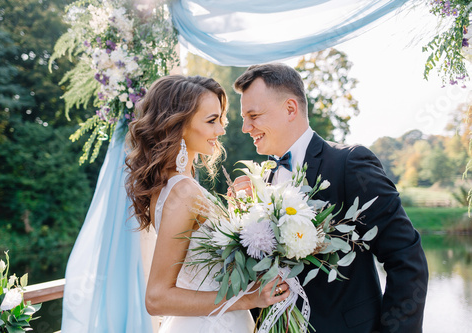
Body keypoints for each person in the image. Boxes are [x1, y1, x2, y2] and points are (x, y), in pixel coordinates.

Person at [232, 63, 429, 333]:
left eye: (253, 115)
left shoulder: (350, 164)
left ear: (290, 109)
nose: (245, 127)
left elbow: (406, 259)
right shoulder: (263, 182)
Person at [124, 75, 290, 333]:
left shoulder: (173, 187)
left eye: (220, 119)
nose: (221, 130)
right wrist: (247, 299)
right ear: (177, 125)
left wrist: (240, 213)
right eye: (212, 120)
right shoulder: (184, 192)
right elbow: (156, 298)